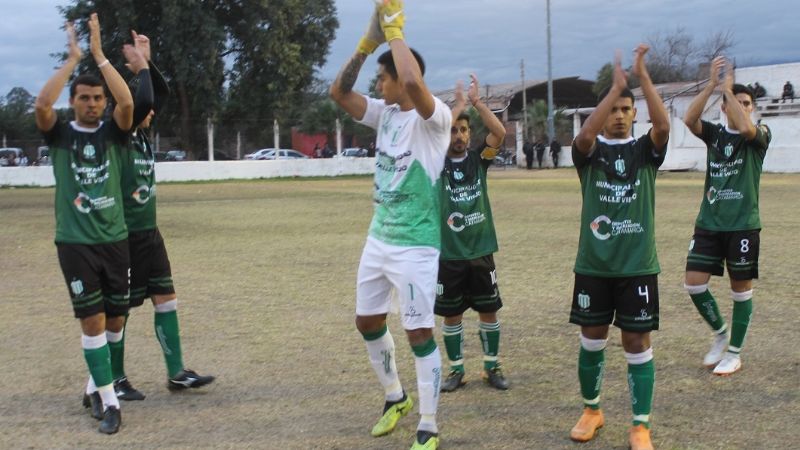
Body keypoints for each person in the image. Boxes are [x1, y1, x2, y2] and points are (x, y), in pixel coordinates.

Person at [329, 1, 451, 448]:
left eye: (382, 77)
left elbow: (414, 81)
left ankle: (428, 425)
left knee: (419, 332)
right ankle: (395, 397)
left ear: (400, 78)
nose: (377, 84)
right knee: (367, 322)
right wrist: (368, 41)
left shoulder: (435, 118)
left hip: (416, 245)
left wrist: (395, 28)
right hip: (379, 239)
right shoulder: (385, 114)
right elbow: (338, 94)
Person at [34, 14, 135, 434]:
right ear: (73, 102)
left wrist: (99, 55)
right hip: (75, 243)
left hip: (115, 239)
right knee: (92, 321)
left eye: (97, 98)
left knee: (115, 322)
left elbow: (128, 104)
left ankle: (94, 386)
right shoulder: (59, 135)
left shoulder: (113, 133)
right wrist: (73, 60)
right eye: (84, 98)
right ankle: (111, 403)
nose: (92, 103)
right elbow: (42, 106)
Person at [568, 45, 669, 450]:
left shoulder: (644, 150)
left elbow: (663, 128)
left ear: (635, 114)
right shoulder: (589, 154)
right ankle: (592, 410)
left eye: (626, 109)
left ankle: (640, 425)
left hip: (637, 265)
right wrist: (615, 88)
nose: (620, 115)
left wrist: (642, 79)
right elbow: (584, 135)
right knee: (592, 337)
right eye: (614, 108)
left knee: (636, 342)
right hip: (594, 264)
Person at [109, 30, 214, 403]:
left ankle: (176, 373)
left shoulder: (140, 137)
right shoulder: (119, 135)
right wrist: (138, 70)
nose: (153, 110)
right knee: (118, 311)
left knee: (165, 298)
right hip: (124, 236)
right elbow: (148, 98)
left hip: (150, 234)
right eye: (144, 105)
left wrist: (147, 62)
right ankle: (115, 378)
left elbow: (159, 95)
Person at [682, 56, 771, 377]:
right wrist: (711, 86)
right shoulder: (716, 135)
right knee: (694, 285)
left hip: (743, 226)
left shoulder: (760, 134)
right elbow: (689, 120)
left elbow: (746, 127)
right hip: (709, 223)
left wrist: (730, 91)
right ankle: (720, 334)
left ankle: (734, 352)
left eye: (747, 103)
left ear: (751, 107)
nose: (742, 107)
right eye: (736, 102)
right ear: (722, 108)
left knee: (740, 290)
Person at [437, 74, 508, 393]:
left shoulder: (480, 160)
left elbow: (500, 132)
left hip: (480, 250)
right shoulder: (435, 164)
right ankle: (456, 371)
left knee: (488, 309)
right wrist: (458, 106)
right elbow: (433, 135)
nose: (459, 135)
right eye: (453, 129)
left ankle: (492, 366)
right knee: (451, 315)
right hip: (449, 253)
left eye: (464, 129)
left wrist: (477, 104)